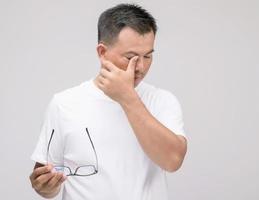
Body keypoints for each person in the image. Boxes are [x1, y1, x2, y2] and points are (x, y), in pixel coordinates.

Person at [29, 3, 187, 200]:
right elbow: (47, 182)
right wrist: (46, 187)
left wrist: (127, 97)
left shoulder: (162, 101)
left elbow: (172, 161)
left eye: (148, 56)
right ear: (102, 52)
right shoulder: (64, 103)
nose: (141, 66)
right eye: (131, 57)